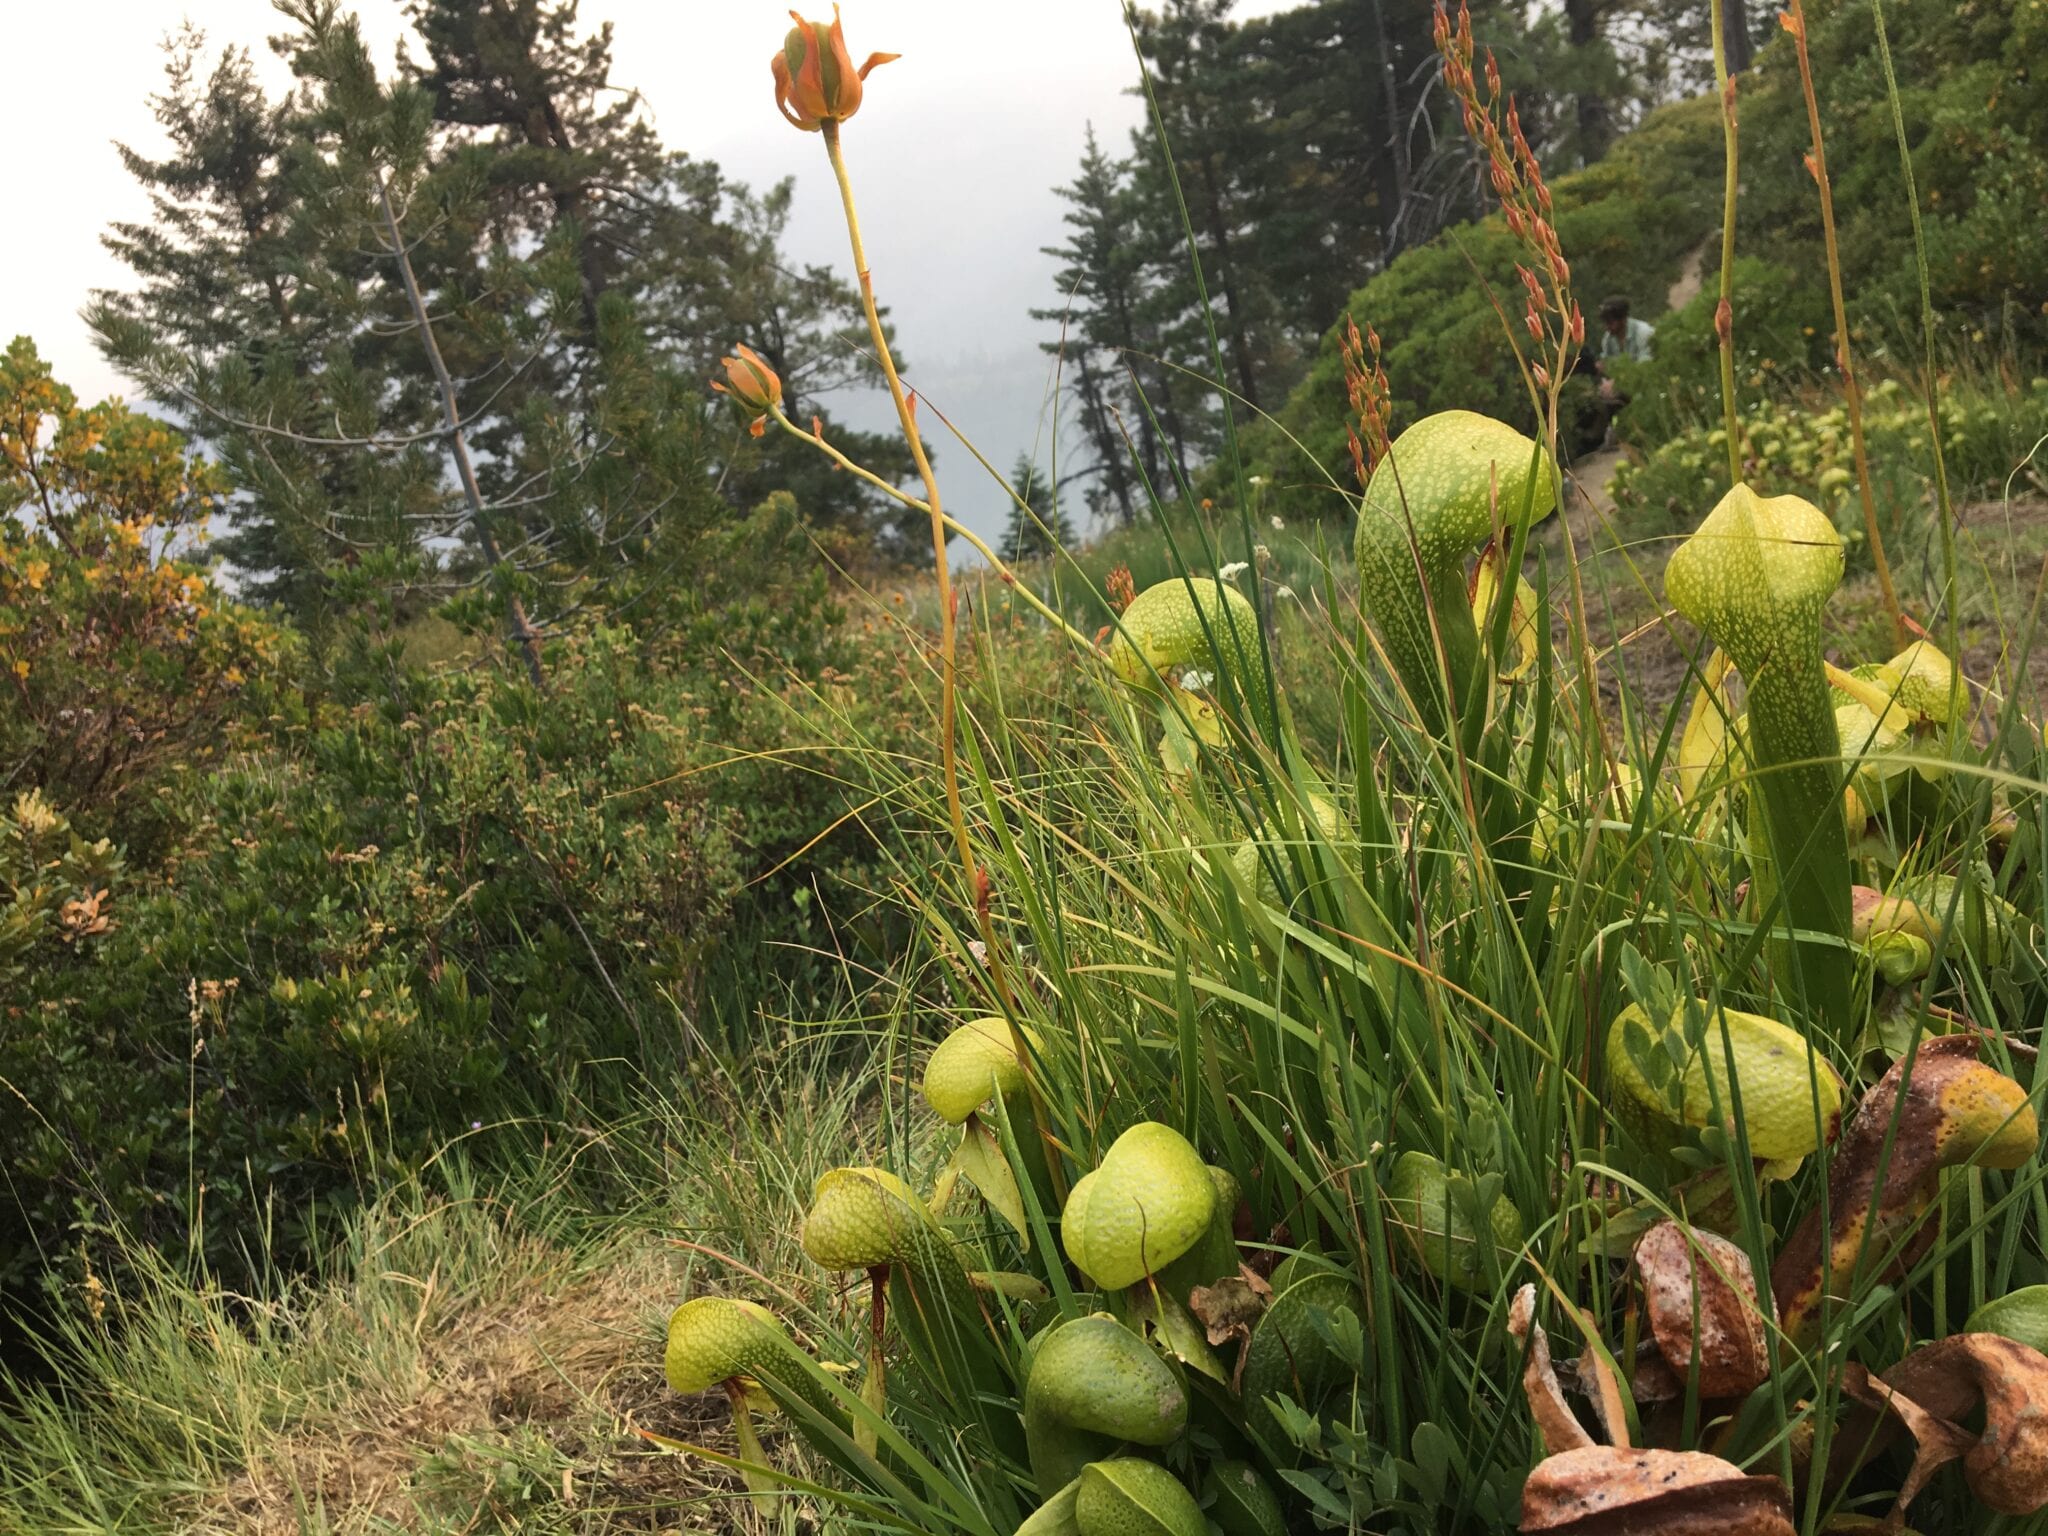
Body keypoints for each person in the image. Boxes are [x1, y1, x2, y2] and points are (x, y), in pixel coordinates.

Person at [1591, 295, 1654, 448]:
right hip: (1622, 384)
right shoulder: (1608, 339)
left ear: (1623, 319)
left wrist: (1618, 380)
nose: (1607, 327)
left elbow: (1645, 366)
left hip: (1646, 382)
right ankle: (1614, 432)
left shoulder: (1644, 333)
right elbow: (1608, 363)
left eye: (1610, 322)